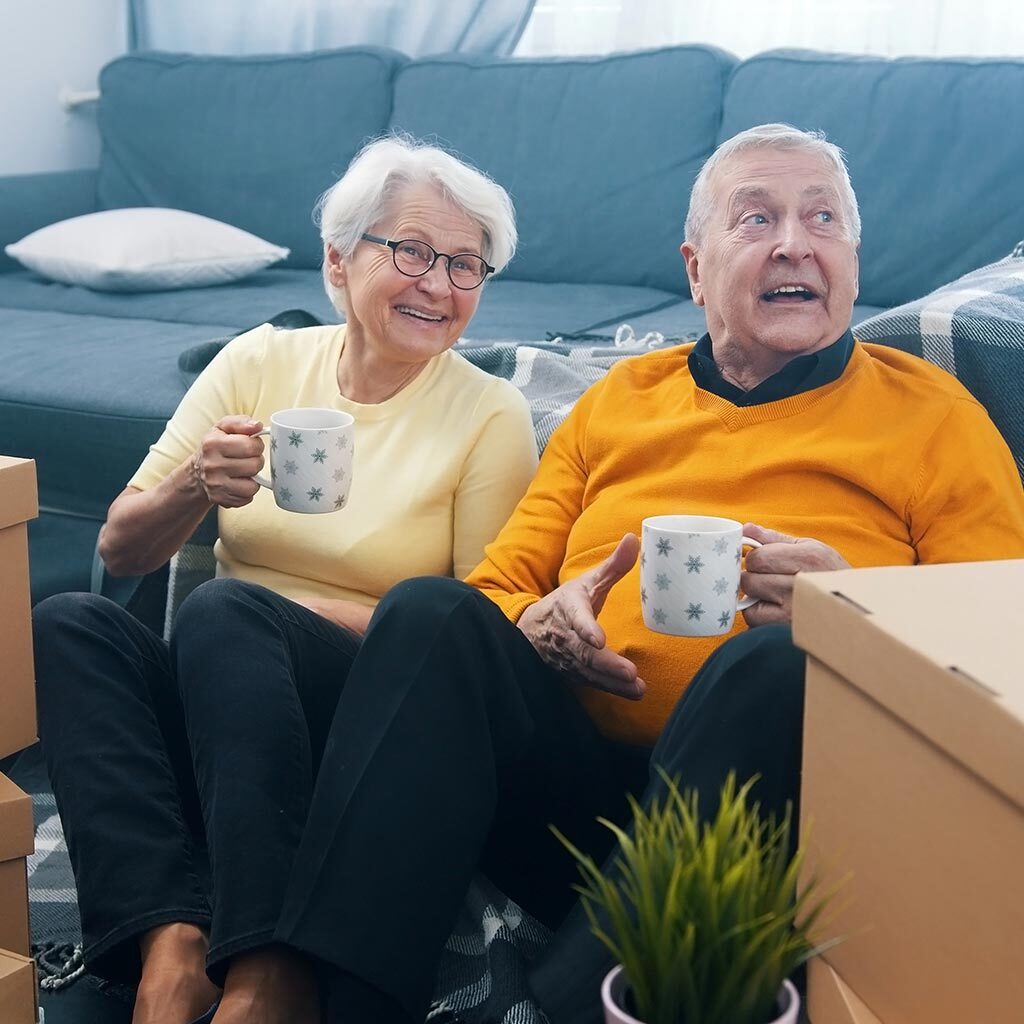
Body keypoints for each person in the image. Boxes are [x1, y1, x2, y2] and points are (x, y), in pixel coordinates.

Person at [258, 124, 1024, 1024]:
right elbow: (497, 588)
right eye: (757, 217)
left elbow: (999, 643)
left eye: (822, 219)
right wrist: (537, 624)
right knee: (431, 612)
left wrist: (849, 607)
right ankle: (348, 1001)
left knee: (771, 665)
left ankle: (571, 1006)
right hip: (577, 792)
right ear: (695, 271)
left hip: (785, 815)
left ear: (852, 264)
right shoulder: (619, 401)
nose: (794, 241)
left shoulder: (932, 413)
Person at [31, 136, 538, 1024]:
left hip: (357, 724)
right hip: (217, 703)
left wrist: (301, 616)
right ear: (338, 263)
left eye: (467, 265)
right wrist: (195, 486)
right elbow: (121, 551)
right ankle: (170, 945)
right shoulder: (258, 363)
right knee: (70, 621)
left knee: (231, 611)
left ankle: (271, 972)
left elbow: (478, 635)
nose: (439, 284)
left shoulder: (488, 414)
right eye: (413, 251)